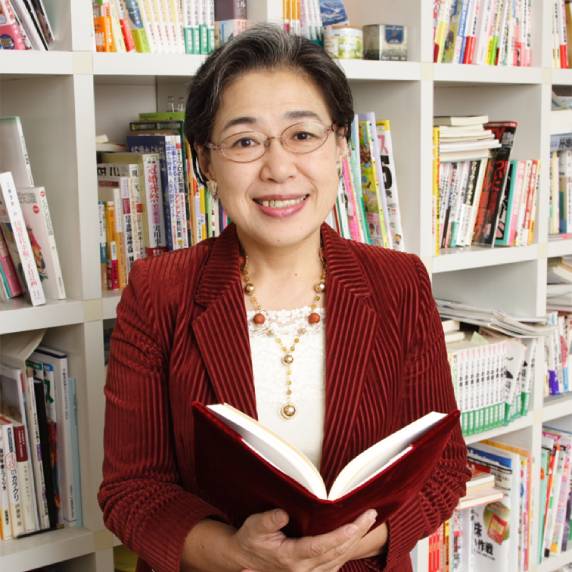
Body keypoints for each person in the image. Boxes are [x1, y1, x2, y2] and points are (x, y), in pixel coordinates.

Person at [98, 24, 471, 572]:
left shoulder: (399, 282)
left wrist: (344, 548)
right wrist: (237, 554)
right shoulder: (159, 291)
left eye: (302, 135)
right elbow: (132, 491)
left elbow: (444, 470)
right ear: (205, 161)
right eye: (245, 141)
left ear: (340, 145)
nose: (278, 168)